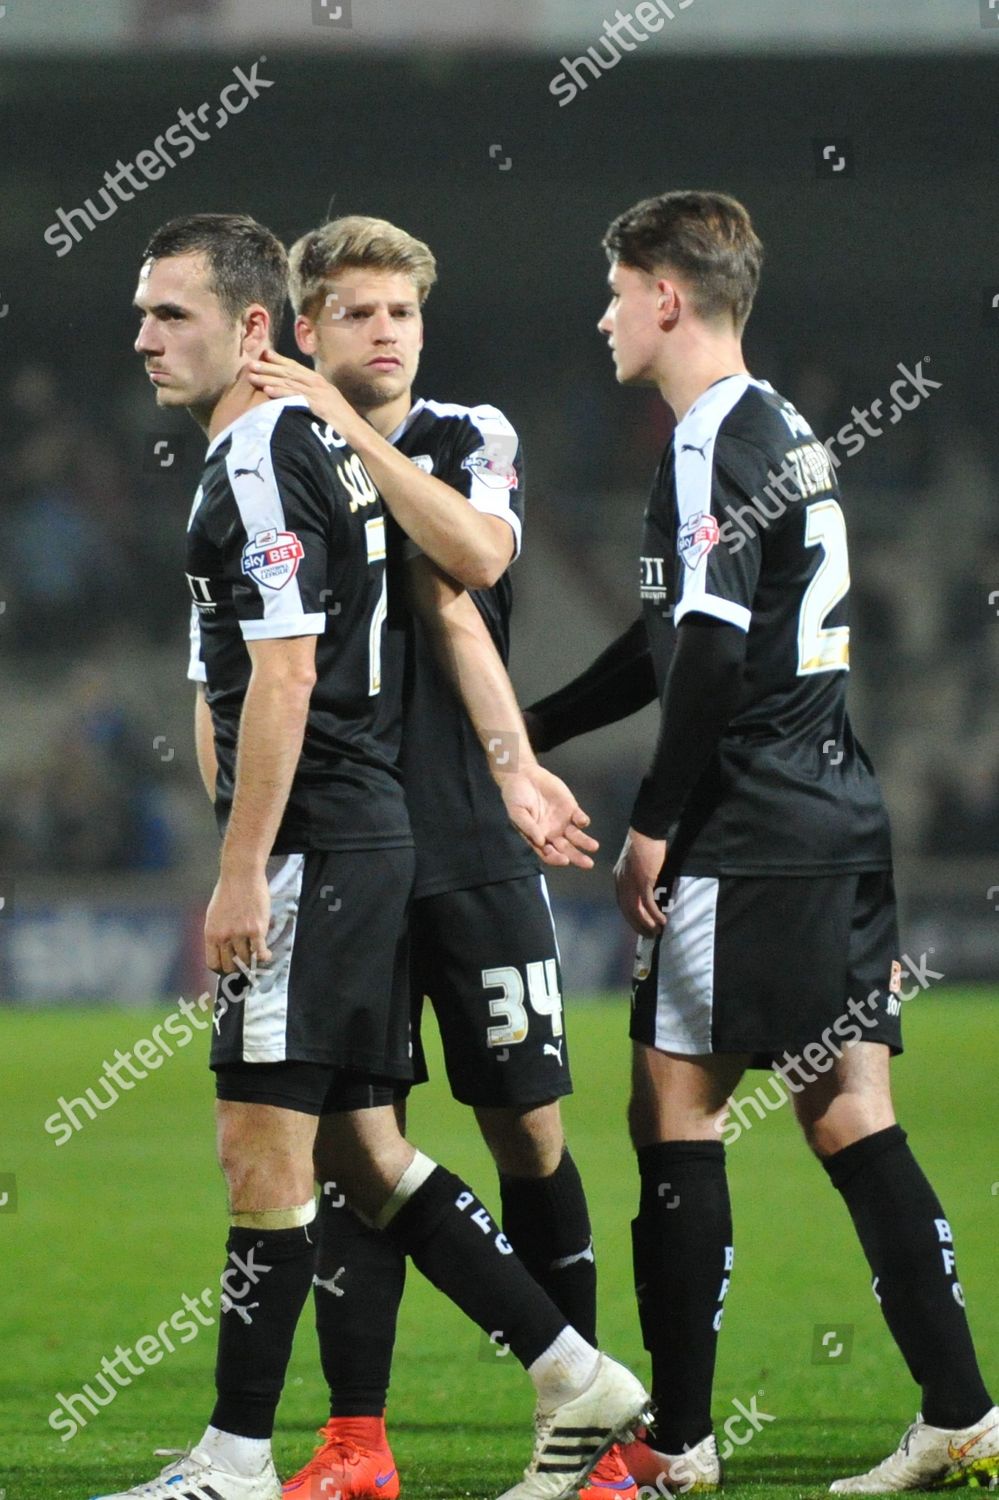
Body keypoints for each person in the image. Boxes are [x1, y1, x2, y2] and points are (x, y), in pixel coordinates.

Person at [101, 211, 650, 1500]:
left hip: (331, 840)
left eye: (167, 313)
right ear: (297, 329)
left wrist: (242, 867)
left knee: (275, 1149)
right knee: (354, 1147)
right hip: (355, 834)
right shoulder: (294, 456)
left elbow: (293, 673)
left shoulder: (271, 456)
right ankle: (568, 1378)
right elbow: (240, 678)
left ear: (246, 331)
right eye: (358, 312)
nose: (140, 337)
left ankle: (238, 1457)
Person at [523, 190, 997, 1495]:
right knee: (851, 1112)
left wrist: (654, 830)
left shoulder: (706, 439)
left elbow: (714, 662)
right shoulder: (782, 425)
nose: (606, 313)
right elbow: (675, 633)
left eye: (618, 289)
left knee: (671, 1105)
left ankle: (673, 1443)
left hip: (754, 828)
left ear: (667, 297)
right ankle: (959, 1411)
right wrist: (535, 724)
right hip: (840, 815)